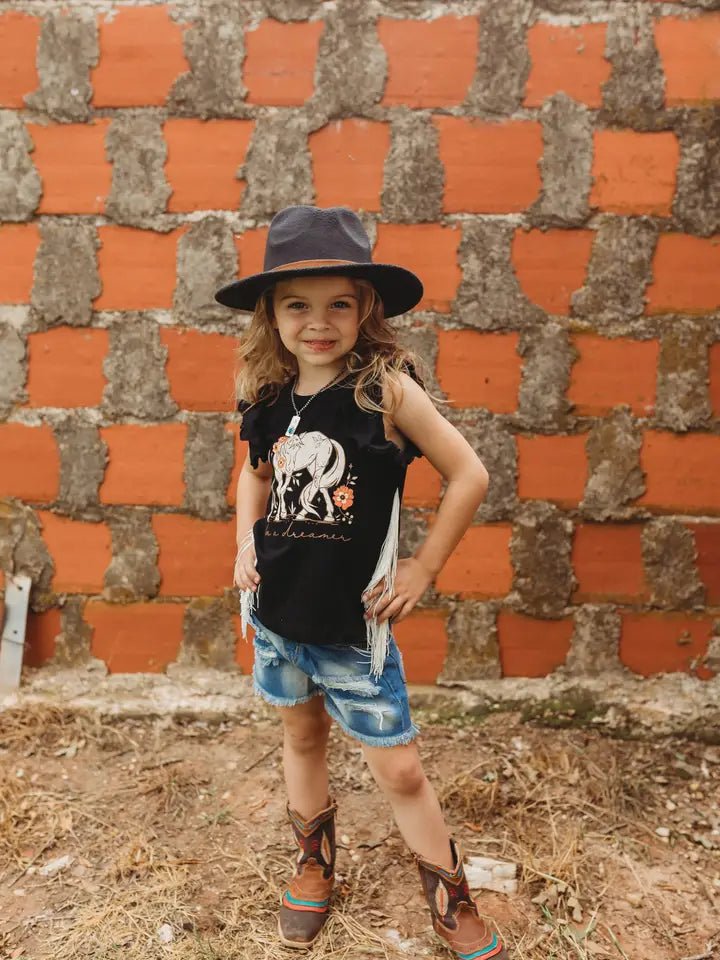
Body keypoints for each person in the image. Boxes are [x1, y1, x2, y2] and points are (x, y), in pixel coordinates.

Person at [216, 205, 508, 960]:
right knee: (301, 734)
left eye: (338, 304)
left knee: (401, 769)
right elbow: (254, 476)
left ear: (365, 308)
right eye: (298, 306)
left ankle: (450, 899)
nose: (319, 323)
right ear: (271, 315)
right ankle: (314, 863)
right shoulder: (268, 397)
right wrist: (245, 541)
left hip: (354, 627)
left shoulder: (387, 392)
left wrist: (423, 566)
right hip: (277, 615)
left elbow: (470, 474)